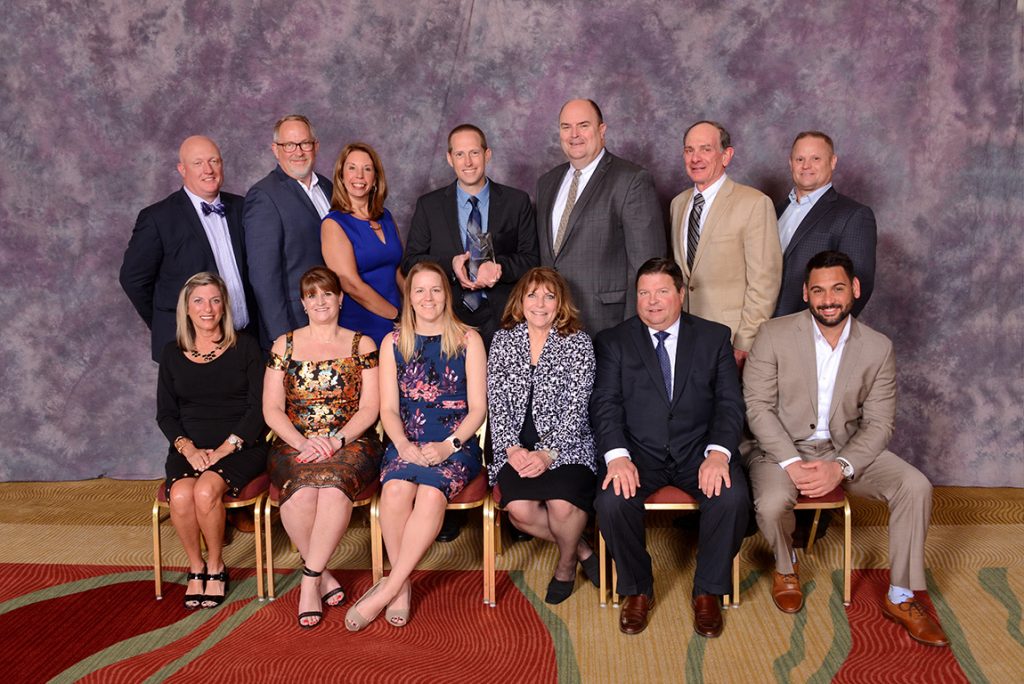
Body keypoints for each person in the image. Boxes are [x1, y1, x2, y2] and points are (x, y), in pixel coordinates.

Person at [743, 250, 947, 646]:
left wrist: (842, 466)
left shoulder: (878, 347)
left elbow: (879, 423)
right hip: (778, 448)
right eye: (818, 290)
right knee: (770, 504)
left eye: (837, 288)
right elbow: (757, 407)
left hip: (846, 447)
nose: (828, 299)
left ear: (853, 289)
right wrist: (790, 461)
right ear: (805, 293)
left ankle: (901, 594)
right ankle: (786, 566)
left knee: (915, 485)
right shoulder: (774, 334)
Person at [591, 258, 748, 637]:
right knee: (611, 501)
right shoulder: (614, 341)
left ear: (680, 294)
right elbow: (605, 404)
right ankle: (636, 589)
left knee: (732, 497)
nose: (652, 301)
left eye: (662, 292)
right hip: (638, 453)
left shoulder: (714, 338)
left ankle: (708, 591)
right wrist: (618, 457)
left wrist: (717, 454)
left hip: (698, 450)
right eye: (643, 293)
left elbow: (730, 403)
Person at [345, 262, 486, 630]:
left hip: (456, 442)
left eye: (436, 289)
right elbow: (389, 409)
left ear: (446, 294)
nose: (428, 298)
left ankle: (388, 586)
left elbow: (478, 409)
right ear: (409, 297)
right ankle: (402, 586)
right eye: (419, 290)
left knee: (429, 495)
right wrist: (403, 444)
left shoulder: (468, 339)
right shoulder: (393, 342)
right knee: (393, 494)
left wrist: (448, 446)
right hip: (405, 439)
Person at [263, 266, 383, 629]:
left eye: (327, 293)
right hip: (294, 441)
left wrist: (335, 440)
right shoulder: (283, 345)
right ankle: (324, 573)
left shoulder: (362, 344)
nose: (320, 301)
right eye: (312, 295)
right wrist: (303, 442)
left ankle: (309, 582)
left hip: (352, 440)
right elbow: (270, 409)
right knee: (299, 496)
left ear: (340, 298)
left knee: (331, 490)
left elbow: (370, 408)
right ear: (303, 302)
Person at [156, 272, 268, 609]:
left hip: (241, 444)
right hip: (189, 447)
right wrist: (187, 449)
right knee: (180, 494)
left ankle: (217, 566)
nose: (208, 308)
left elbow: (259, 407)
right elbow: (166, 414)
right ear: (186, 310)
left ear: (225, 307)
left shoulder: (245, 346)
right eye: (199, 301)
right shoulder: (172, 353)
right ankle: (196, 567)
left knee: (205, 490)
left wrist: (225, 447)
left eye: (215, 300)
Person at [486, 267, 598, 604]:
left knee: (562, 506)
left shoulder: (578, 343)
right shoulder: (504, 341)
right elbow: (497, 401)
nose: (540, 303)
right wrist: (510, 448)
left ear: (560, 303)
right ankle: (581, 548)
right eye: (532, 294)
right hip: (516, 448)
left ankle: (564, 567)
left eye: (549, 296)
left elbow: (577, 408)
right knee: (519, 510)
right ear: (520, 301)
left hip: (568, 448)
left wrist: (549, 454)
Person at [121, 135, 257, 362]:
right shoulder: (158, 218)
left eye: (214, 161)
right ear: (182, 169)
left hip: (244, 340)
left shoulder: (242, 208)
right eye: (198, 163)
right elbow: (133, 280)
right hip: (188, 345)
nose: (208, 170)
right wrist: (168, 320)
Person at [536, 99, 666, 334]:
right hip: (552, 325)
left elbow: (648, 266)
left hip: (608, 324)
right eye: (566, 127)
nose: (574, 134)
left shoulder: (631, 180)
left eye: (583, 125)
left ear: (601, 130)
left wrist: (634, 331)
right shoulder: (547, 183)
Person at [402, 123, 538, 345]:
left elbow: (531, 260)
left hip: (504, 318)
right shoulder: (429, 205)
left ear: (487, 154)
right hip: (447, 316)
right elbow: (410, 262)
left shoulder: (516, 202)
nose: (468, 162)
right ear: (449, 158)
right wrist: (451, 265)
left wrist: (499, 267)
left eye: (474, 153)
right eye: (459, 154)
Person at [670, 120, 781, 372]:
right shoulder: (678, 204)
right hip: (685, 335)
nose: (695, 158)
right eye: (689, 150)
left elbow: (764, 282)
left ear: (726, 155)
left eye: (706, 149)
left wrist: (745, 341)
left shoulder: (754, 203)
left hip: (730, 340)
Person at [244, 115, 333, 349]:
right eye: (289, 145)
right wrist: (283, 338)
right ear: (276, 149)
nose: (298, 152)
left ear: (316, 146)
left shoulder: (329, 187)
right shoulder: (264, 196)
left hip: (337, 318)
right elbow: (264, 277)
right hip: (296, 323)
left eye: (305, 143)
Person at [774, 131, 877, 318]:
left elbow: (858, 285)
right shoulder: (774, 211)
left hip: (809, 332)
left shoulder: (853, 215)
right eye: (799, 159)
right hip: (763, 330)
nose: (806, 166)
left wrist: (823, 332)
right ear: (790, 163)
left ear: (833, 162)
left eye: (815, 158)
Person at [321, 142, 403, 347]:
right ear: (341, 176)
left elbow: (399, 268)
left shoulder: (386, 217)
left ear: (375, 178)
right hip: (363, 326)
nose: (360, 176)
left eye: (367, 169)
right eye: (352, 168)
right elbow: (350, 284)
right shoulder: (334, 223)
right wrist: (395, 314)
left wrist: (414, 309)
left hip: (399, 323)